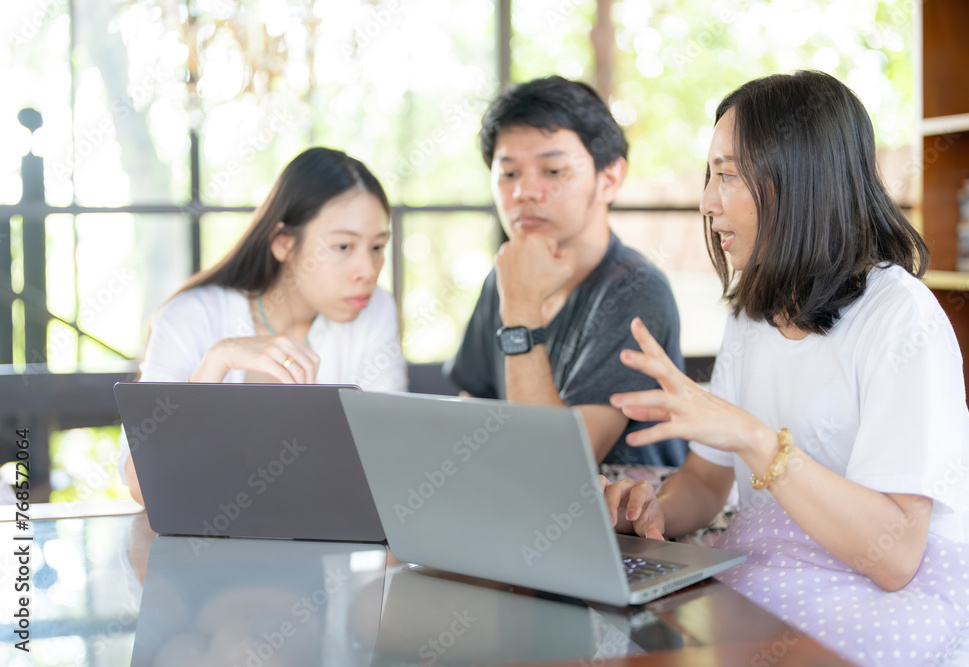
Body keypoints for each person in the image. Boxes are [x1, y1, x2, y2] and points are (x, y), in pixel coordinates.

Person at [601, 71, 969, 666]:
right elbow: (708, 486)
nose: (707, 200)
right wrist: (651, 509)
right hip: (792, 563)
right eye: (710, 174)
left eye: (728, 175)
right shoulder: (752, 311)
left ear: (800, 183)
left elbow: (894, 559)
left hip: (912, 582)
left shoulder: (899, 317)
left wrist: (755, 439)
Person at [122, 147, 406, 505]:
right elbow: (142, 486)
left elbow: (392, 463)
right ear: (284, 243)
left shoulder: (375, 311)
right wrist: (218, 361)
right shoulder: (192, 316)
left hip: (326, 546)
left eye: (379, 246)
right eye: (344, 246)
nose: (368, 270)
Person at [445, 75, 687, 471]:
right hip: (518, 509)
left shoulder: (637, 290)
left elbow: (555, 466)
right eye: (508, 173)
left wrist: (520, 312)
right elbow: (473, 406)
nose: (524, 192)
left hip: (630, 527)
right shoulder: (506, 276)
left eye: (553, 171)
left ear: (609, 179)